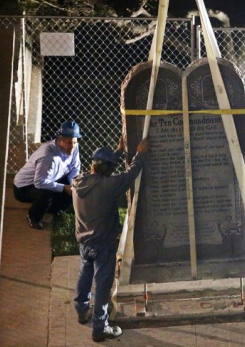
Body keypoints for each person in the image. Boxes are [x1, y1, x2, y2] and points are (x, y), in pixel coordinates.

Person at [72, 137, 149, 342]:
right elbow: (130, 174)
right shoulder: (109, 186)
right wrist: (139, 154)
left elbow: (102, 171)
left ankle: (81, 310)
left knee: (84, 276)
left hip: (84, 243)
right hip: (103, 245)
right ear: (108, 170)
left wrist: (117, 152)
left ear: (92, 165)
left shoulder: (78, 182)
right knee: (103, 287)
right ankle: (100, 328)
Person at [13, 121, 82, 229]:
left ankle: (53, 210)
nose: (72, 146)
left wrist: (72, 184)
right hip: (24, 188)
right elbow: (40, 182)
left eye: (74, 142)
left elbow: (75, 168)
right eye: (69, 143)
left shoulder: (74, 147)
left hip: (49, 178)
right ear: (60, 141)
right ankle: (34, 217)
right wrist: (64, 187)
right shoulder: (48, 155)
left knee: (76, 184)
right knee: (46, 192)